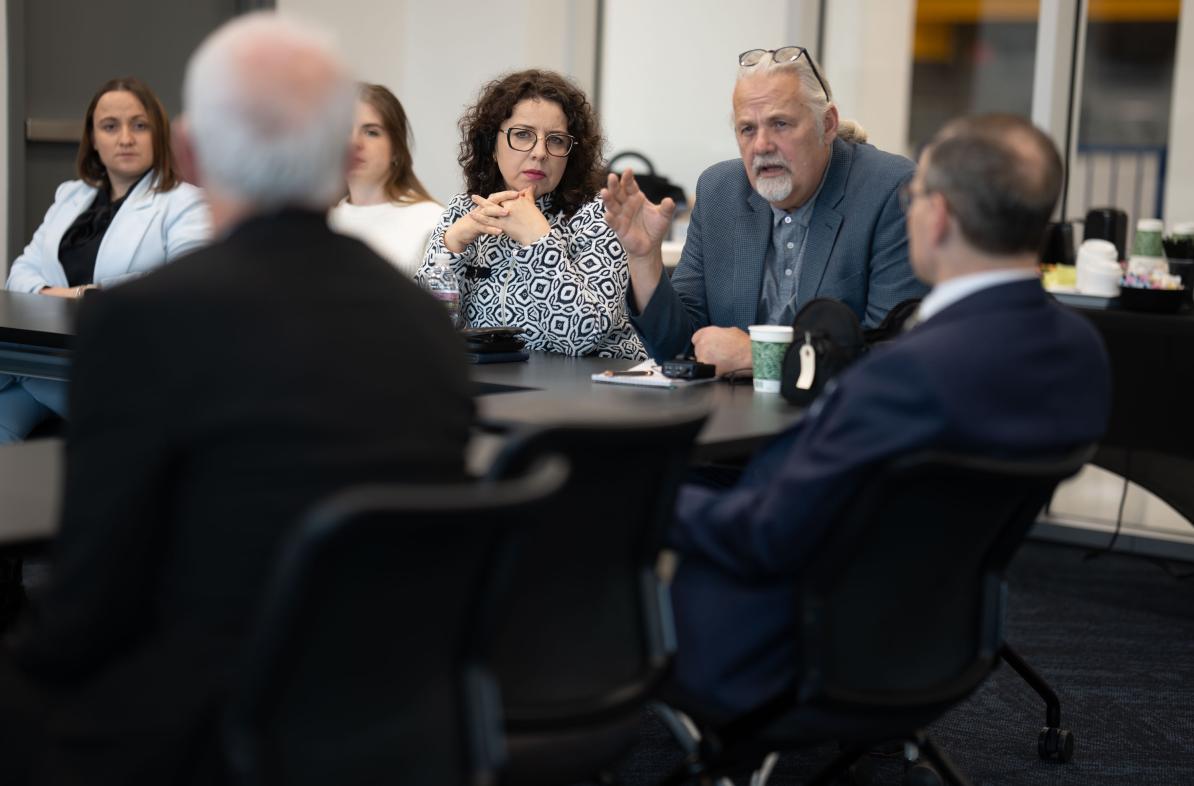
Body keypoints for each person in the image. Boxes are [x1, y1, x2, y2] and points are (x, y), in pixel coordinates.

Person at [0, 13, 474, 784]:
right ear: (340, 153)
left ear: (186, 151)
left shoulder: (141, 323)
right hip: (395, 716)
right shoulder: (426, 324)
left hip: (206, 731)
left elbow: (89, 606)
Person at [663, 114, 1112, 716]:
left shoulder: (900, 377)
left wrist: (642, 500)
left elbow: (765, 532)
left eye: (914, 194)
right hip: (945, 640)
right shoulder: (1082, 354)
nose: (908, 207)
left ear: (942, 215)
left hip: (796, 647)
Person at [603, 46, 927, 373]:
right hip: (729, 417)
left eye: (781, 124)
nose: (762, 145)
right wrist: (645, 260)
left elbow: (894, 355)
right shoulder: (720, 191)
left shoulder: (890, 190)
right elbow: (679, 347)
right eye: (748, 129)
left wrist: (757, 356)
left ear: (827, 124)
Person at [0, 76, 210, 443]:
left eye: (139, 125)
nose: (125, 138)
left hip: (125, 368)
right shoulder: (70, 196)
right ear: (93, 139)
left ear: (158, 134)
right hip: (47, 361)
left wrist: (78, 295)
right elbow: (20, 272)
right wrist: (74, 295)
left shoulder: (186, 201)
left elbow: (185, 282)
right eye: (110, 126)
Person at [421, 69, 645, 358]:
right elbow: (425, 331)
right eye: (523, 135)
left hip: (586, 391)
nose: (540, 152)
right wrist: (450, 248)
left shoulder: (599, 216)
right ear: (491, 145)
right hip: (496, 387)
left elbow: (580, 337)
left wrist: (537, 239)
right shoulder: (464, 210)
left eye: (556, 140)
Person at [328, 83, 443, 277]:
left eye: (371, 132)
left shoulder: (433, 221)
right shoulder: (322, 222)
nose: (354, 142)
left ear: (397, 149)